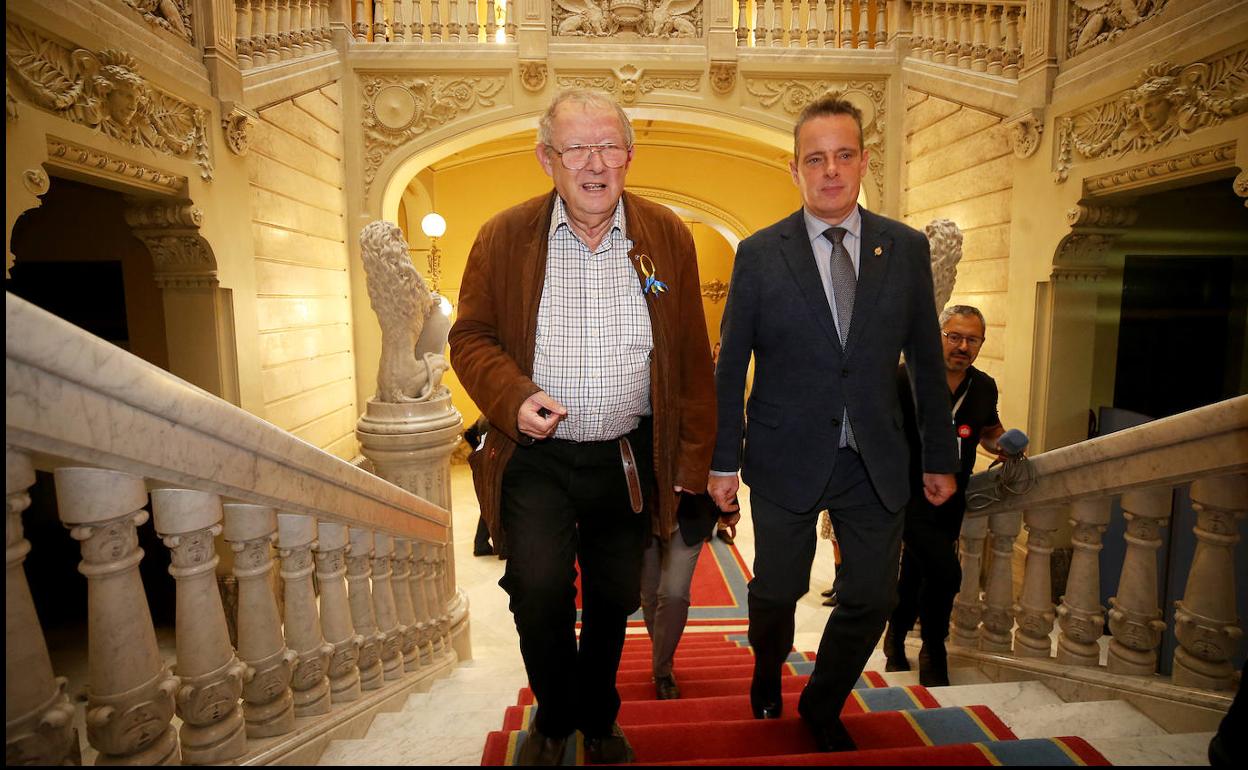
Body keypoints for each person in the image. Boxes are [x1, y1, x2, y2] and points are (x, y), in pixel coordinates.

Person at [448, 88, 716, 766]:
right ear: (547, 158)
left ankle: (599, 717)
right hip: (535, 456)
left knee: (613, 598)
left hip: (627, 458)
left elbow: (687, 357)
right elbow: (471, 337)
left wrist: (691, 468)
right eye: (576, 148)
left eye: (609, 146)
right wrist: (513, 396)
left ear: (629, 155)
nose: (595, 163)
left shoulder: (666, 237)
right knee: (537, 591)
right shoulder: (503, 237)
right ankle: (556, 714)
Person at [708, 95, 958, 753]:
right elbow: (731, 365)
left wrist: (938, 456)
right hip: (786, 453)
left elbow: (927, 364)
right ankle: (767, 667)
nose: (830, 171)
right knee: (778, 591)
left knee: (871, 598)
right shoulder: (761, 254)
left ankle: (821, 704)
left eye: (844, 155)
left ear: (863, 161)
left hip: (875, 458)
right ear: (795, 169)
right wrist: (722, 461)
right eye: (815, 159)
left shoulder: (903, 249)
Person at [883, 305, 1007, 686]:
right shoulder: (905, 379)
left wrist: (1008, 447)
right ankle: (933, 648)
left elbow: (989, 432)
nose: (963, 346)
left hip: (953, 495)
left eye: (972, 339)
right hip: (909, 495)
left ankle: (896, 636)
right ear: (937, 336)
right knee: (946, 571)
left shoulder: (984, 387)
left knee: (916, 572)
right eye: (954, 336)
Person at [640, 491, 736, 700]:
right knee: (649, 596)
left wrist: (729, 503)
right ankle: (662, 658)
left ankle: (662, 671)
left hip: (689, 510)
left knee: (674, 593)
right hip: (642, 512)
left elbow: (713, 459)